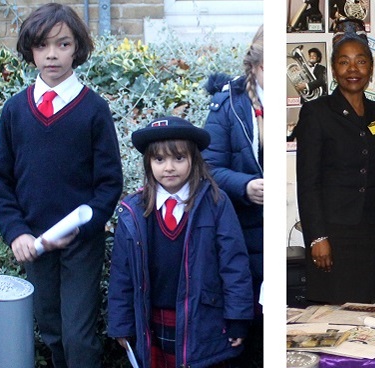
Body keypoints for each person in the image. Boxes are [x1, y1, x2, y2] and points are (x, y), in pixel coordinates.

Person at [0, 3, 123, 367]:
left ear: (76, 48)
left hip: (81, 244)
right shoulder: (15, 111)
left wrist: (83, 226)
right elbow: (0, 178)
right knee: (52, 332)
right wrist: (16, 233)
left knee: (78, 336)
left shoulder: (94, 110)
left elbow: (109, 183)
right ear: (30, 50)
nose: (52, 54)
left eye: (63, 45)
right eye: (42, 45)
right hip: (33, 243)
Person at [107, 116, 254, 368]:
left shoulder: (216, 203)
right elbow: (122, 274)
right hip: (153, 321)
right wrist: (122, 324)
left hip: (204, 321)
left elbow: (234, 265)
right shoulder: (133, 212)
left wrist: (237, 317)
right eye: (159, 159)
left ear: (193, 160)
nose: (169, 167)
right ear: (148, 163)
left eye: (179, 158)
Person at [294, 18, 375, 305]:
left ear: (371, 69)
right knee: (330, 319)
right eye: (344, 62)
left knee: (363, 316)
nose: (353, 69)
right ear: (334, 69)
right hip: (332, 234)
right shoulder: (316, 113)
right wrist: (317, 238)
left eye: (361, 62)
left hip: (369, 233)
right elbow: (308, 183)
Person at [203, 25, 264, 368]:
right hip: (240, 232)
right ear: (254, 66)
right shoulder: (227, 103)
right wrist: (245, 186)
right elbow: (208, 166)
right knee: (248, 326)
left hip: (277, 234)